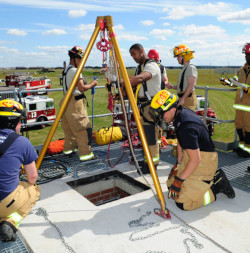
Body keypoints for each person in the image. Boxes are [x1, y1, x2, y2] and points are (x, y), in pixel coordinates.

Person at [150, 90, 235, 211]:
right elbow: (180, 141)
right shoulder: (180, 115)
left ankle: (216, 185)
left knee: (182, 203)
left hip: (204, 162)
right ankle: (199, 183)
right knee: (170, 186)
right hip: (192, 155)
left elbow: (196, 160)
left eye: (161, 114)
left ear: (172, 109)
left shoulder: (186, 126)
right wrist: (178, 164)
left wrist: (179, 181)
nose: (160, 118)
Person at [0, 99, 40, 242]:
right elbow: (32, 177)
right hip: (4, 203)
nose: (21, 125)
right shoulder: (22, 142)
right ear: (12, 122)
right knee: (33, 189)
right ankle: (10, 221)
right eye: (19, 121)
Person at [127, 43, 162, 174]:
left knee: (151, 136)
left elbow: (142, 78)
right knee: (145, 136)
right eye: (131, 55)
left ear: (142, 51)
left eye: (134, 54)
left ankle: (153, 165)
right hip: (143, 106)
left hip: (151, 106)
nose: (133, 57)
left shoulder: (151, 65)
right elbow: (136, 84)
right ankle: (148, 160)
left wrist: (124, 82)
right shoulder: (140, 67)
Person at [60, 45, 98, 162]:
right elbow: (81, 88)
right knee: (82, 129)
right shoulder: (76, 71)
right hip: (75, 103)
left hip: (65, 102)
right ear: (75, 58)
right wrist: (93, 84)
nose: (82, 62)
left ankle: (69, 151)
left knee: (69, 130)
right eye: (81, 59)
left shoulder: (66, 70)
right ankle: (86, 155)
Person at [166, 44, 199, 168]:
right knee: (182, 130)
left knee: (186, 129)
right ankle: (182, 159)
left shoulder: (191, 68)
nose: (177, 59)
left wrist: (182, 100)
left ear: (184, 56)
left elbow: (191, 86)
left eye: (178, 56)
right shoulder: (185, 69)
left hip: (188, 101)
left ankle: (187, 159)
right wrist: (172, 87)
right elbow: (183, 86)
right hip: (184, 99)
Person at [148, 49, 169, 146]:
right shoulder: (161, 68)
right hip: (160, 97)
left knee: (149, 121)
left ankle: (151, 143)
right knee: (161, 118)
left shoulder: (143, 67)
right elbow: (165, 81)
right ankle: (162, 140)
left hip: (147, 98)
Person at [233, 43, 250, 158]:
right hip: (239, 104)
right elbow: (236, 83)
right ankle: (242, 146)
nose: (246, 57)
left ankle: (248, 150)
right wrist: (229, 82)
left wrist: (247, 90)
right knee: (238, 125)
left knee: (248, 127)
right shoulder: (241, 70)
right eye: (245, 55)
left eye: (248, 55)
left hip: (249, 104)